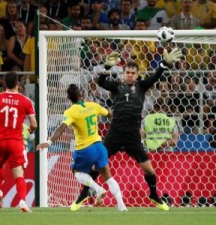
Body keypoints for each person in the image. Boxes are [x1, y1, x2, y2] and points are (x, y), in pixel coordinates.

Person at [73, 47, 183, 211]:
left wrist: (164, 64)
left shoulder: (141, 86)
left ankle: (153, 194)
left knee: (149, 170)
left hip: (133, 136)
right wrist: (107, 67)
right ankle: (84, 193)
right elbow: (100, 82)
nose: (130, 75)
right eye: (128, 72)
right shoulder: (116, 87)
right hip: (115, 134)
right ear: (124, 73)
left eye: (133, 72)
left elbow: (155, 77)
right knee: (97, 166)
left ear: (137, 74)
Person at [37, 84, 127, 212]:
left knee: (77, 172)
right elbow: (110, 114)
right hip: (99, 147)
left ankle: (98, 189)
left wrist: (49, 141)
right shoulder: (93, 105)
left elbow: (62, 128)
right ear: (81, 94)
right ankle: (122, 206)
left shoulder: (70, 112)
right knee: (109, 177)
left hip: (85, 149)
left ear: (68, 97)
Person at [0, 71, 37, 212]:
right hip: (16, 141)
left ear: (4, 83)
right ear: (18, 84)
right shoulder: (25, 101)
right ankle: (22, 202)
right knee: (18, 174)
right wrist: (31, 131)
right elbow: (33, 124)